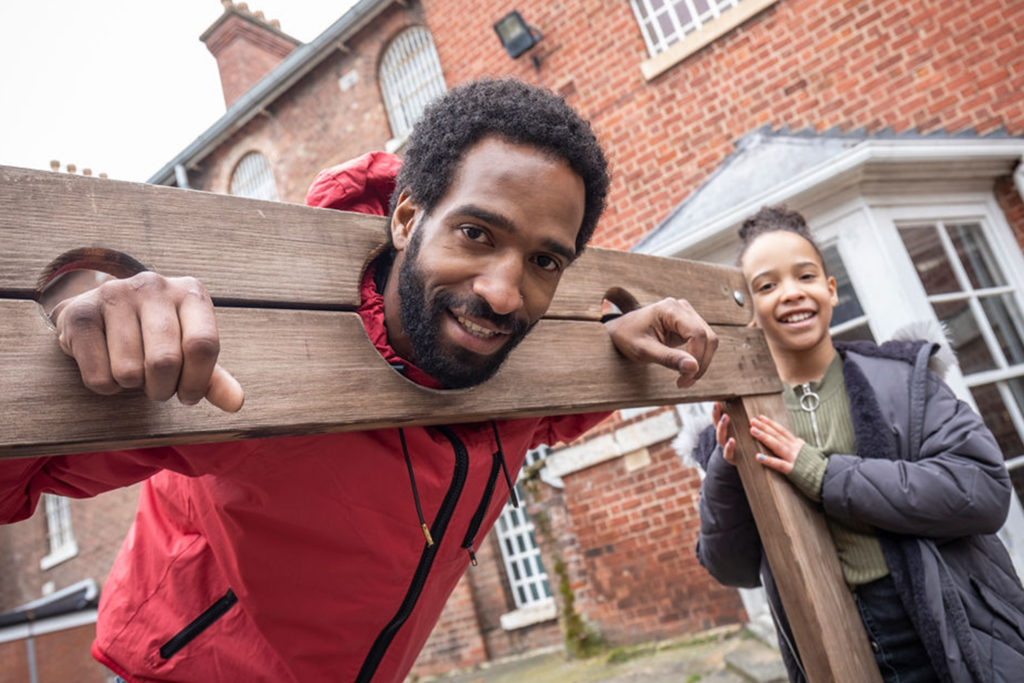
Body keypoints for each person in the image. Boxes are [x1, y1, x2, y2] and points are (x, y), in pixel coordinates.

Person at [1, 79, 717, 683]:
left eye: (544, 263)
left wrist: (612, 349)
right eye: (475, 233)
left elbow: (541, 415)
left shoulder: (511, 376)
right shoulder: (247, 356)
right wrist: (64, 321)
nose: (503, 293)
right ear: (407, 218)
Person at [692, 205, 1024, 682]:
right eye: (766, 285)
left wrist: (824, 474)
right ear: (749, 311)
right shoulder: (740, 421)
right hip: (828, 636)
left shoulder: (904, 380)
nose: (790, 293)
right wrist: (727, 471)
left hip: (945, 621)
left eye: (804, 275)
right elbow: (734, 568)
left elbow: (983, 490)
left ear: (830, 290)